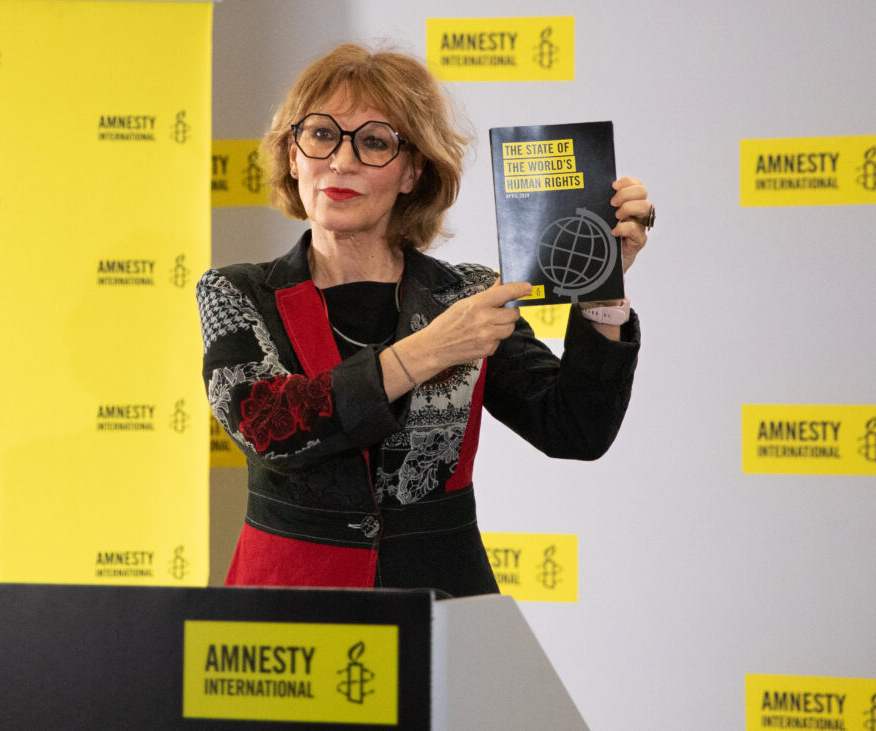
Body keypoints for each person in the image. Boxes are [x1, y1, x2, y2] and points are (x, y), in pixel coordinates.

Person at [197, 44, 652, 597]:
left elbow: (574, 429)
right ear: (293, 156)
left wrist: (601, 289)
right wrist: (426, 352)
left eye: (373, 142)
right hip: (292, 610)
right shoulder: (235, 291)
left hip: (442, 603)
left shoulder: (468, 293)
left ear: (413, 171)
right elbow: (269, 427)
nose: (341, 162)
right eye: (320, 135)